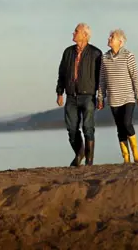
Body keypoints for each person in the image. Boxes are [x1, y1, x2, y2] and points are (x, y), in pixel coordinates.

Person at [56, 23, 103, 167]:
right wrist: (60, 92)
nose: (73, 33)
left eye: (76, 31)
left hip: (88, 96)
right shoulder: (68, 52)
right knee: (71, 129)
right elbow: (62, 73)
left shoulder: (96, 53)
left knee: (88, 127)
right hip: (71, 96)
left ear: (85, 35)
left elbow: (101, 77)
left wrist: (100, 97)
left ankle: (89, 161)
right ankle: (80, 153)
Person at [97, 29, 138, 163]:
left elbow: (135, 76)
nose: (109, 39)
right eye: (109, 36)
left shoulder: (128, 55)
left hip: (128, 97)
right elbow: (102, 80)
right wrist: (100, 98)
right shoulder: (104, 58)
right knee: (120, 128)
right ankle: (126, 156)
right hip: (113, 99)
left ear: (120, 42)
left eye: (112, 37)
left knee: (127, 123)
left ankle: (135, 151)